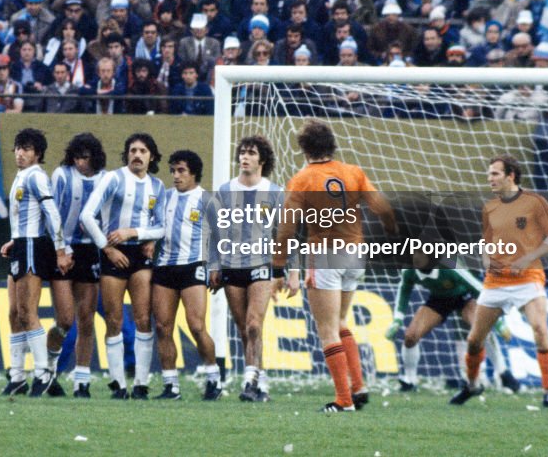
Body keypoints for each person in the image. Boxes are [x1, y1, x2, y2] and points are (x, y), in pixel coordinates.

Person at [273, 120, 397, 412]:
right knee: (340, 322)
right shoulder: (353, 172)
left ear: (304, 148)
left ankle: (344, 400)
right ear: (332, 145)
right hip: (355, 254)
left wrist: (278, 265)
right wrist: (391, 232)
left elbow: (287, 228)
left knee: (327, 329)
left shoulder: (302, 179)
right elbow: (383, 209)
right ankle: (358, 385)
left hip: (325, 255)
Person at [450, 155, 548, 409]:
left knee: (540, 331)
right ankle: (473, 385)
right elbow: (486, 242)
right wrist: (487, 261)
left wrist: (528, 259)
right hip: (495, 283)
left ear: (511, 176)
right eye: (489, 174)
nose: (490, 178)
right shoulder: (490, 207)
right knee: (474, 340)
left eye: (495, 174)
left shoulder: (534, 203)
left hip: (528, 279)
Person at [80, 132, 165, 399]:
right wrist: (107, 247)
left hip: (140, 256)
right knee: (114, 320)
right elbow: (86, 216)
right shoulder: (112, 178)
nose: (137, 155)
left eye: (142, 151)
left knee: (143, 319)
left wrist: (136, 234)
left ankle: (140, 383)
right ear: (127, 155)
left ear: (151, 156)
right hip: (112, 255)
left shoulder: (158, 187)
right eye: (132, 150)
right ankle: (118, 384)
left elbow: (161, 227)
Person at [208, 135, 282, 402]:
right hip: (232, 267)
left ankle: (249, 382)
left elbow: (285, 235)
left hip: (261, 266)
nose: (244, 157)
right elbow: (215, 233)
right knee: (245, 329)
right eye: (242, 152)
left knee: (253, 325)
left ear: (261, 160)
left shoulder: (274, 192)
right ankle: (260, 383)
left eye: (250, 153)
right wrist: (214, 266)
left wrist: (288, 273)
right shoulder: (225, 191)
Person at [387, 249, 520, 394]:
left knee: (482, 331)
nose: (415, 257)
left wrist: (498, 323)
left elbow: (478, 289)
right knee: (410, 336)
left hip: (464, 296)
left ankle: (503, 373)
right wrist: (397, 320)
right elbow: (404, 290)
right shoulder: (409, 269)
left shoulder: (450, 264)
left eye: (420, 253)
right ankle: (409, 380)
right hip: (438, 300)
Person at [0, 129, 70, 397]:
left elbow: (51, 213)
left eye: (27, 149)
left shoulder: (37, 176)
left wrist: (61, 250)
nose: (20, 153)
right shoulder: (22, 176)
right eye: (18, 147)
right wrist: (13, 239)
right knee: (14, 314)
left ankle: (43, 374)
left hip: (32, 246)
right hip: (21, 244)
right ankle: (17, 376)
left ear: (38, 154)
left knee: (28, 313)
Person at [150, 150, 221, 401]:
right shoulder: (165, 197)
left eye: (181, 171)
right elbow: (154, 226)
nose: (175, 176)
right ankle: (171, 386)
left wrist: (215, 267)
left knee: (196, 325)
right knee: (162, 327)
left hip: (193, 265)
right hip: (164, 267)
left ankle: (213, 378)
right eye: (173, 170)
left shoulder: (207, 199)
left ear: (194, 173)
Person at [50, 134, 107, 397]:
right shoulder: (61, 175)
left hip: (90, 250)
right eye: (76, 157)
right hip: (62, 249)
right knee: (64, 319)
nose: (80, 163)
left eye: (85, 157)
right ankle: (47, 371)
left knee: (86, 318)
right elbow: (52, 214)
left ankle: (81, 380)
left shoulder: (106, 179)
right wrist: (62, 249)